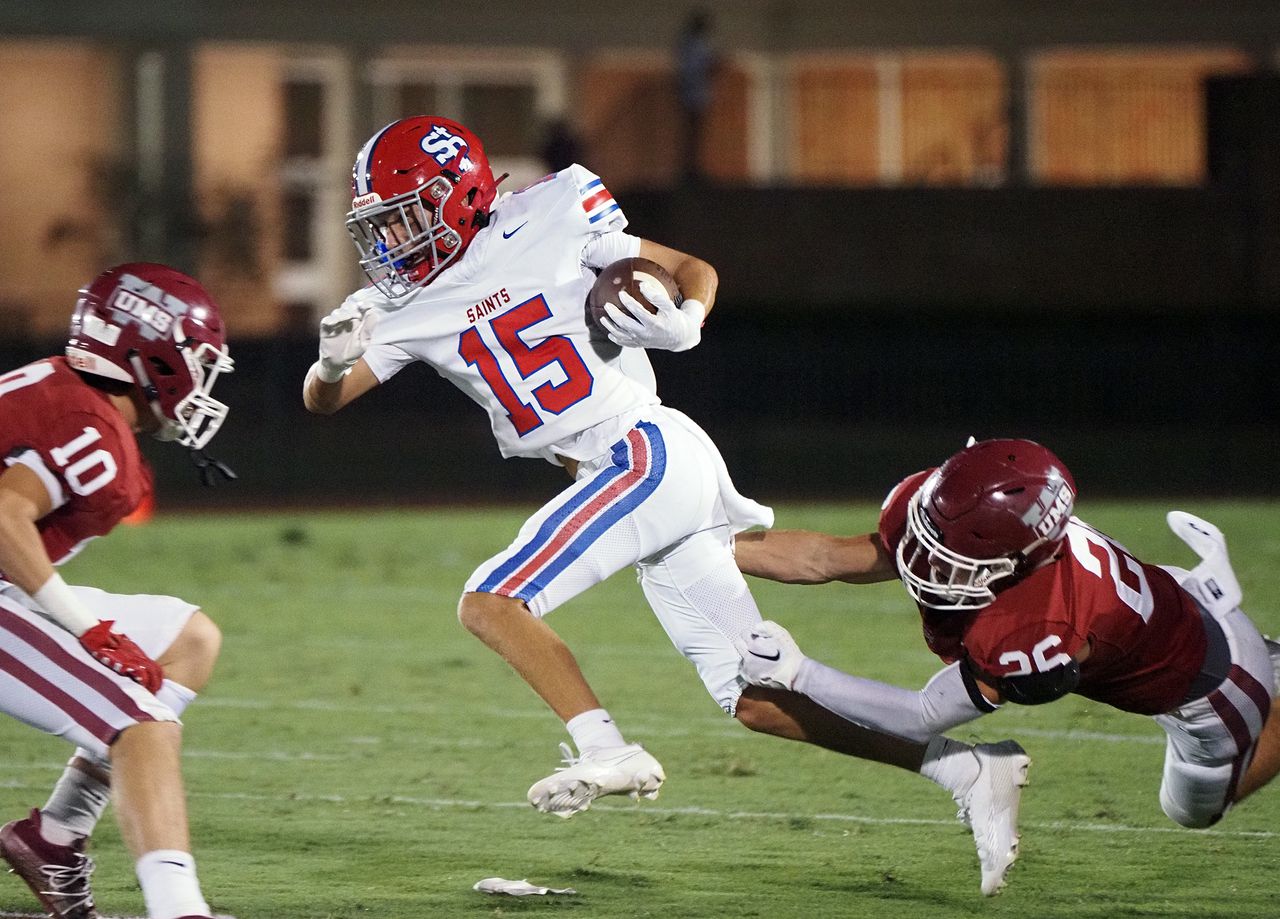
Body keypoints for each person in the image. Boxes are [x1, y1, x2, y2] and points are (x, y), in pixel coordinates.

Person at [302, 119, 1029, 894]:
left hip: (640, 449)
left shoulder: (550, 213)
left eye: (407, 214)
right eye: (382, 222)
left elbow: (689, 267)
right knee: (757, 698)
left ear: (462, 193)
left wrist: (689, 318)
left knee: (491, 600)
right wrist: (327, 362)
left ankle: (606, 746)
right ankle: (967, 761)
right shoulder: (398, 301)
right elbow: (326, 399)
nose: (393, 238)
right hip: (619, 472)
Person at [734, 438, 1280, 892]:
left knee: (1190, 811)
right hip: (1176, 604)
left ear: (1021, 563)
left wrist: (800, 672)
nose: (924, 562)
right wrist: (705, 548)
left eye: (952, 558)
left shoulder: (1037, 626)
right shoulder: (959, 507)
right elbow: (825, 556)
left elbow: (922, 714)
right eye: (931, 538)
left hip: (1214, 688)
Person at [0, 263, 234, 919]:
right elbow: (3, 516)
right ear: (153, 357)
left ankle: (54, 834)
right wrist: (87, 628)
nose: (200, 381)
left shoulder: (65, 390)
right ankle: (178, 907)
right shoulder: (92, 426)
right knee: (142, 720)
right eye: (197, 360)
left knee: (189, 639)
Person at [676, 9, 718, 185]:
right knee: (692, 136)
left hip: (696, 96)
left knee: (695, 136)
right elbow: (694, 69)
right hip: (692, 96)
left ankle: (693, 169)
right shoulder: (692, 45)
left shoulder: (693, 44)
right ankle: (690, 171)